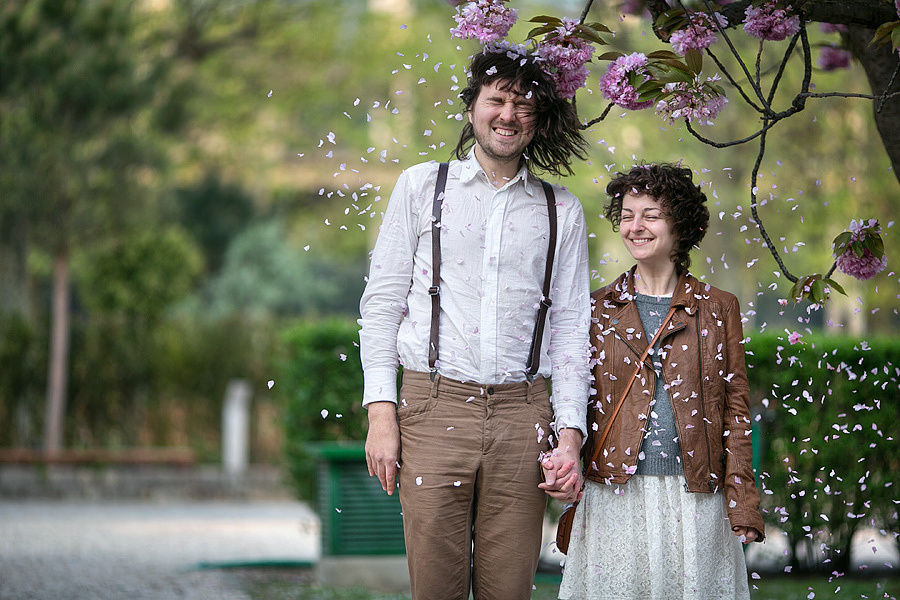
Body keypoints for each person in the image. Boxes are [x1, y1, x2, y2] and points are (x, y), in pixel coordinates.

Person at [359, 44, 592, 600]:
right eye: (497, 100)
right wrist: (381, 414)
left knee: (509, 591)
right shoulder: (421, 187)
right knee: (435, 590)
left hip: (523, 417)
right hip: (433, 408)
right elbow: (382, 305)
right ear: (472, 109)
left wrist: (569, 437)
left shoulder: (562, 209)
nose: (508, 114)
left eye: (523, 105)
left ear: (539, 122)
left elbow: (570, 332)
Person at [556, 163, 765, 599]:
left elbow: (736, 409)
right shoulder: (595, 309)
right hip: (615, 493)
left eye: (650, 214)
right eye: (628, 214)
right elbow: (572, 393)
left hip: (697, 496)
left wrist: (742, 500)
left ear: (680, 224)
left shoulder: (719, 307)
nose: (636, 226)